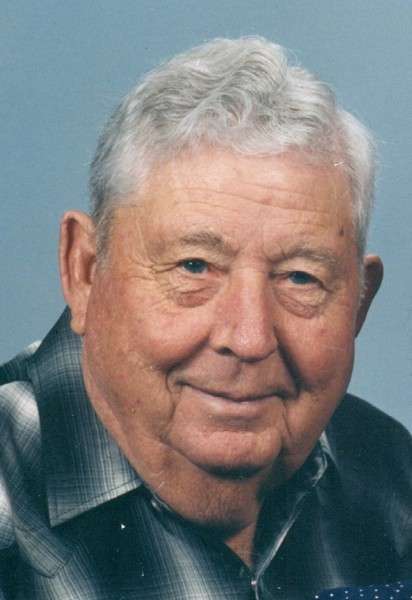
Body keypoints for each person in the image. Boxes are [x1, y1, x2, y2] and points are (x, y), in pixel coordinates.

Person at [0, 36, 411, 600]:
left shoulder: (392, 474)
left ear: (359, 303)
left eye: (300, 278)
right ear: (85, 272)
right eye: (194, 266)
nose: (249, 338)